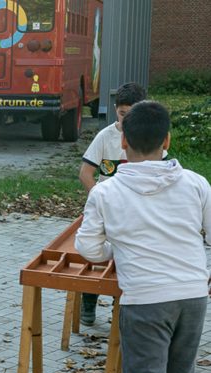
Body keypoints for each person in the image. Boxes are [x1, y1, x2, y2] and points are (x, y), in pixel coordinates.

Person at [75, 101, 210, 373]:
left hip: (144, 298)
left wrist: (117, 250)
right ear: (167, 140)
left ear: (123, 142)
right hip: (191, 295)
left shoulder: (106, 191)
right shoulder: (197, 184)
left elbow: (89, 249)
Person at [77, 82, 154, 326]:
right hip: (106, 211)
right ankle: (89, 301)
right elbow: (85, 173)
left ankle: (118, 307)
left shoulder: (147, 140)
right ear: (115, 110)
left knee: (127, 259)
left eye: (132, 115)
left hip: (135, 213)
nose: (126, 120)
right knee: (95, 256)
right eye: (122, 114)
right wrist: (99, 201)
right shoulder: (106, 137)